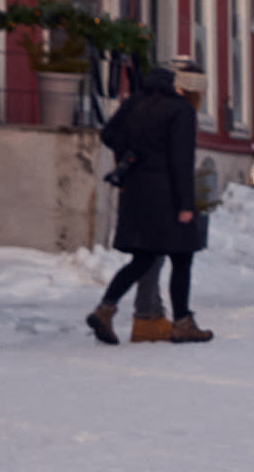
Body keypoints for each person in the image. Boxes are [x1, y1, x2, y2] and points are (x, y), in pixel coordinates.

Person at [87, 61, 209, 344]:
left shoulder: (135, 102)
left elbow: (109, 134)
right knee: (182, 256)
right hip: (167, 195)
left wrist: (131, 155)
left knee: (143, 257)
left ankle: (105, 309)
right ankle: (182, 323)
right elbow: (181, 160)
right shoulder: (181, 110)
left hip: (135, 190)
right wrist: (186, 205)